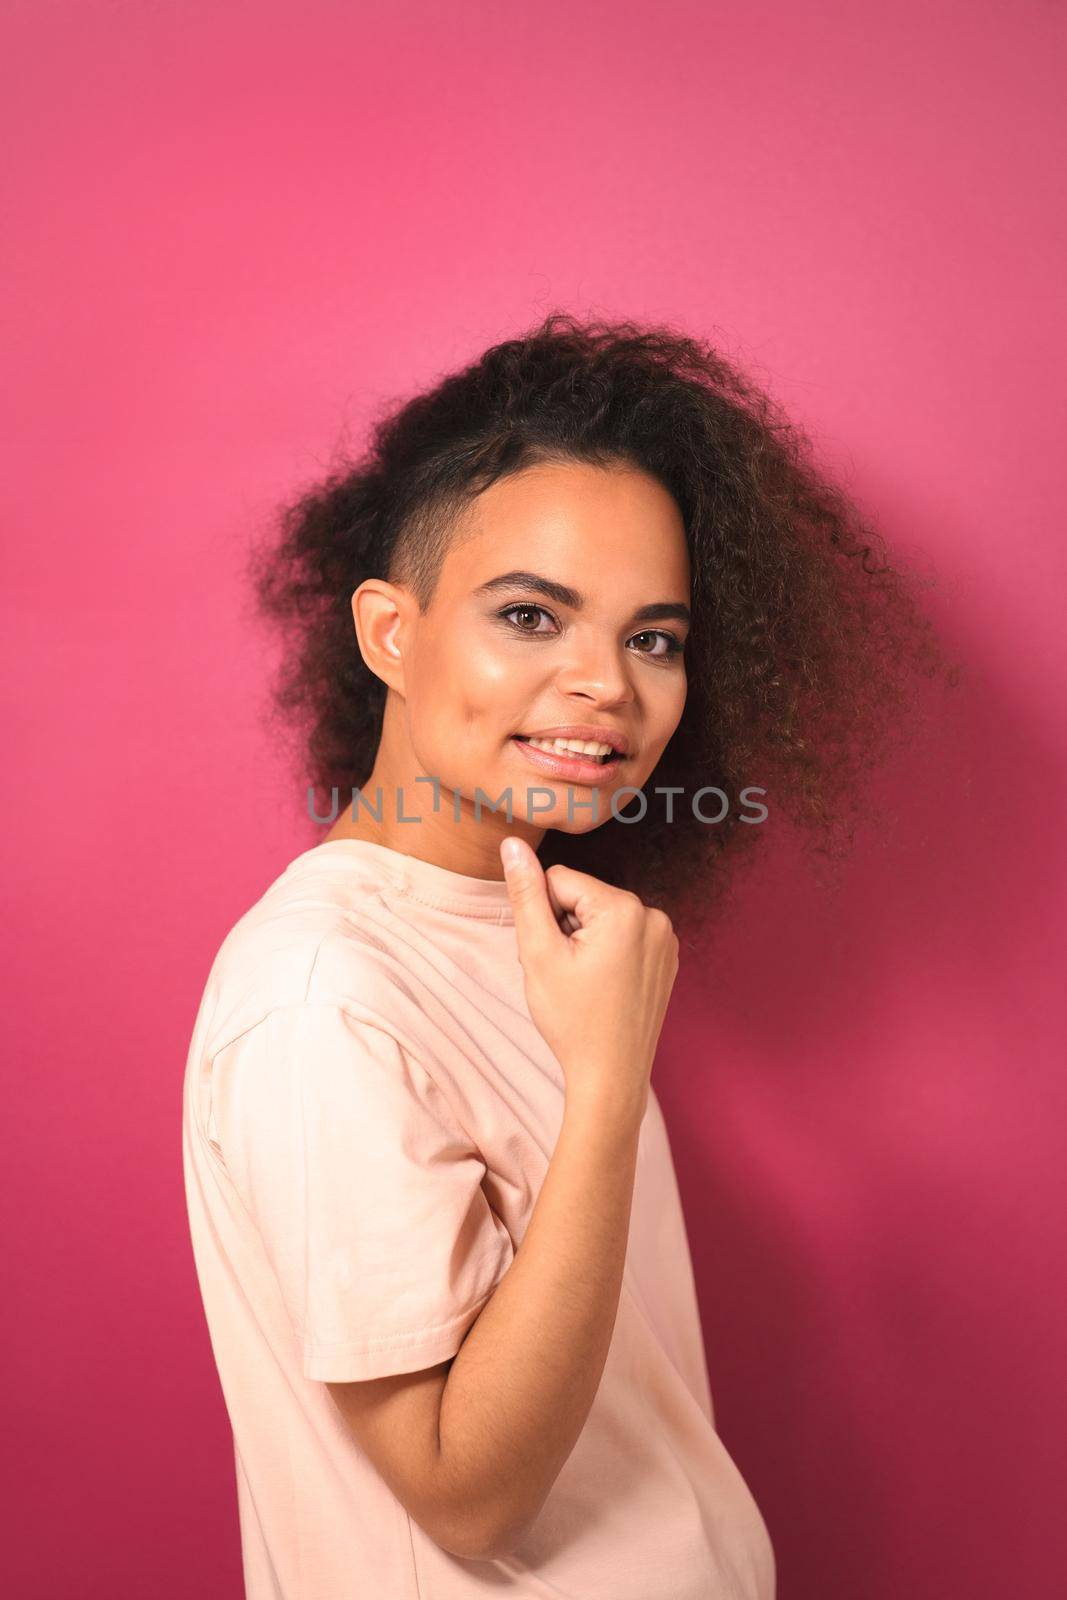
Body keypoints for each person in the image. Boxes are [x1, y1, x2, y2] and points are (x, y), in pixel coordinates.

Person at [182, 312, 952, 1598]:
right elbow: (462, 1488)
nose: (606, 681)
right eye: (531, 615)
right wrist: (603, 1087)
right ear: (388, 633)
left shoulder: (531, 920)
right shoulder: (324, 996)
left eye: (652, 637)